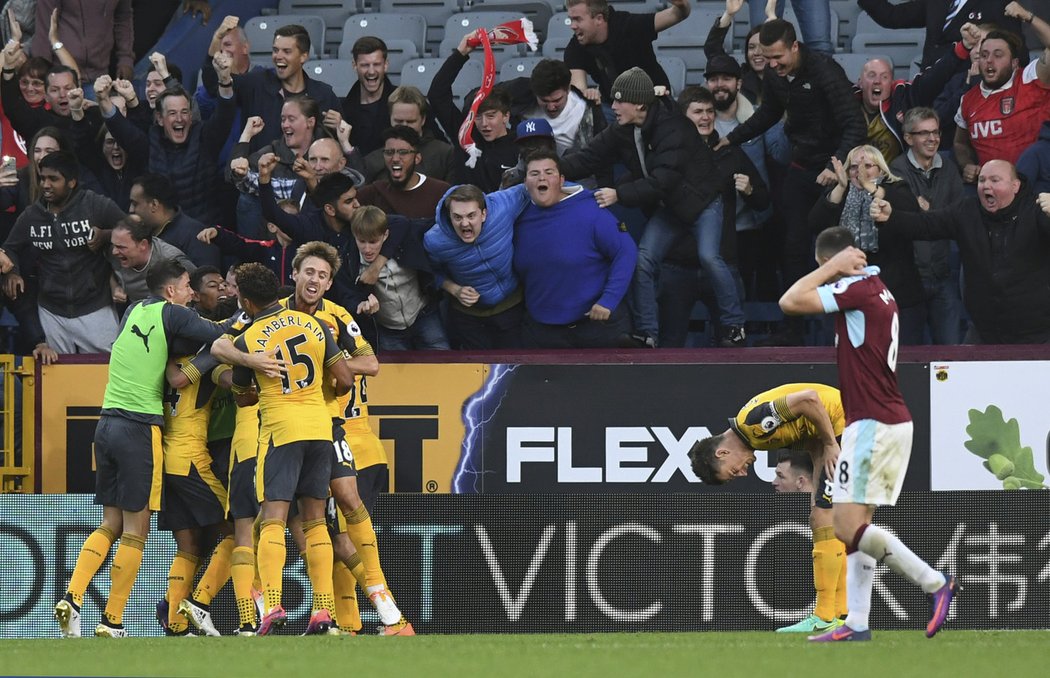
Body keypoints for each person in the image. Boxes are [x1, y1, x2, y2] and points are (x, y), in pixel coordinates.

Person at [51, 258, 257, 638]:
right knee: (138, 531)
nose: (191, 293)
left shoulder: (133, 309)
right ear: (171, 291)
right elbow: (219, 331)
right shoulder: (173, 314)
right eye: (186, 286)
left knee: (111, 523)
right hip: (140, 429)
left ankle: (72, 597)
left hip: (107, 421)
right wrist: (251, 306)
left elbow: (175, 357)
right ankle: (113, 620)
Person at [779, 226, 958, 642]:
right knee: (859, 525)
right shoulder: (878, 288)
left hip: (874, 423)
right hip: (886, 419)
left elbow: (789, 301)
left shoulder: (856, 290)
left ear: (830, 262)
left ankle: (935, 583)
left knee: (844, 526)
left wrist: (832, 269)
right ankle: (857, 623)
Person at [562, 68, 742, 348]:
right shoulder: (623, 129)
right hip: (672, 206)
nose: (615, 107)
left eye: (620, 102)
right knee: (642, 259)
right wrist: (551, 170)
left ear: (640, 105)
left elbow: (662, 182)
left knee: (709, 257)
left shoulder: (675, 128)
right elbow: (590, 156)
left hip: (703, 202)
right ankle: (647, 333)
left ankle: (734, 326)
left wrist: (618, 194)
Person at [222, 262, 354, 636]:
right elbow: (344, 378)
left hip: (281, 432)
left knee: (274, 519)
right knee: (315, 522)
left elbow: (245, 399)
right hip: (320, 429)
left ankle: (274, 603)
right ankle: (323, 610)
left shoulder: (250, 336)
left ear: (246, 301)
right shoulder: (314, 324)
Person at [718, 19, 866, 345]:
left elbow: (855, 125)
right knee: (793, 245)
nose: (772, 66)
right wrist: (733, 139)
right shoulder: (775, 74)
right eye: (767, 59)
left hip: (835, 172)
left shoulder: (826, 72)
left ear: (795, 47)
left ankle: (845, 330)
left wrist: (834, 165)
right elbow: (768, 113)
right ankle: (794, 328)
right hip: (801, 166)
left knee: (840, 248)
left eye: (778, 58)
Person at [688, 383, 846, 634]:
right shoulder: (755, 436)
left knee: (829, 518)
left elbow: (809, 400)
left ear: (722, 452)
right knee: (823, 518)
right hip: (843, 428)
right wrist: (821, 457)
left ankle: (827, 616)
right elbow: (810, 435)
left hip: (847, 426)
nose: (741, 473)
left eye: (732, 471)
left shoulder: (754, 425)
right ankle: (837, 614)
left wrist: (830, 444)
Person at [871, 159, 1050, 344]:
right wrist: (891, 217)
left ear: (1015, 186)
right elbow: (926, 225)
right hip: (985, 330)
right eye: (981, 180)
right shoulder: (967, 211)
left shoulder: (1037, 211)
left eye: (995, 180)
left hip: (1037, 332)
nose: (986, 186)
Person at [0, 150, 125, 357]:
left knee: (109, 374)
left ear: (72, 182)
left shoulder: (94, 204)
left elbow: (131, 230)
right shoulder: (32, 215)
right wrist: (13, 272)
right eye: (42, 178)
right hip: (52, 312)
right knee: (56, 380)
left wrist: (105, 235)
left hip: (95, 307)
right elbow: (10, 247)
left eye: (53, 179)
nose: (45, 185)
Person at [97, 51, 236, 229]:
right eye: (172, 113)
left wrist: (225, 80)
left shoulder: (204, 137)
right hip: (161, 237)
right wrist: (103, 99)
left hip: (203, 234)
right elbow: (122, 129)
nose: (180, 119)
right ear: (160, 119)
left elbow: (225, 115)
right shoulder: (150, 141)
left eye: (184, 112)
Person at [514, 151, 637, 348]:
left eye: (549, 172)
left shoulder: (592, 210)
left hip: (596, 328)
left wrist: (609, 300)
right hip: (542, 333)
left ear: (562, 180)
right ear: (526, 183)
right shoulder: (517, 217)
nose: (542, 178)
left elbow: (626, 251)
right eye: (534, 174)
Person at [808, 145, 925, 344]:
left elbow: (911, 211)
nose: (860, 172)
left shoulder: (896, 189)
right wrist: (840, 187)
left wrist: (871, 188)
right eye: (854, 167)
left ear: (880, 169)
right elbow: (815, 224)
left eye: (868, 165)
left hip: (895, 291)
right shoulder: (841, 192)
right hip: (850, 291)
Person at [889, 107, 966, 344]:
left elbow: (958, 216)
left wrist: (923, 210)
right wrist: (919, 210)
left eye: (935, 132)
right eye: (924, 133)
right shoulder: (894, 171)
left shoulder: (950, 168)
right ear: (908, 138)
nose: (932, 139)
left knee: (952, 354)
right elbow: (899, 219)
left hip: (943, 276)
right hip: (910, 281)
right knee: (909, 357)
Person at [425, 183, 532, 349]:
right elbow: (429, 273)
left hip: (512, 307)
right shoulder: (435, 241)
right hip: (469, 318)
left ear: (483, 214)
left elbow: (535, 184)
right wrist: (454, 289)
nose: (465, 223)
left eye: (471, 216)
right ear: (449, 217)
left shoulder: (502, 206)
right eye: (458, 217)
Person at [218, 23, 340, 153]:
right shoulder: (256, 84)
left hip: (309, 171)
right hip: (259, 169)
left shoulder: (323, 94)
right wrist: (223, 75)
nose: (278, 56)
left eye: (286, 51)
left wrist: (338, 128)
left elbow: (335, 150)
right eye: (275, 50)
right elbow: (214, 85)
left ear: (303, 56)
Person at [955, 14, 1050, 179]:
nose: (989, 61)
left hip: (1036, 185)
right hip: (993, 192)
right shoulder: (968, 100)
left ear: (1014, 63)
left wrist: (1029, 17)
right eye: (984, 55)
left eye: (998, 55)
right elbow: (959, 143)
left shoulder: (1029, 78)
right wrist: (967, 164)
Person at [350, 206, 449, 351]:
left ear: (385, 235)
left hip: (423, 315)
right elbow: (348, 294)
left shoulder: (404, 242)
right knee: (394, 372)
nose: (367, 249)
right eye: (362, 241)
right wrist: (362, 306)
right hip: (387, 328)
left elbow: (403, 221)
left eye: (373, 242)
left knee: (443, 362)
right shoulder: (351, 261)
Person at [429, 35, 519, 192]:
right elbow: (437, 95)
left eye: (491, 116)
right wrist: (460, 54)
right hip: (464, 213)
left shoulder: (519, 146)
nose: (484, 123)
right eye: (477, 116)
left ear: (506, 116)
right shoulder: (464, 135)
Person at [564, 0, 691, 104]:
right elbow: (578, 92)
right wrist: (586, 95)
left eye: (578, 19)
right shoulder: (575, 48)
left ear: (599, 19)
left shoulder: (629, 25)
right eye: (571, 19)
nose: (572, 26)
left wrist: (682, 4)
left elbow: (678, 14)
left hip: (653, 100)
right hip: (613, 106)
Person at [858, 0, 1024, 68]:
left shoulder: (998, 3)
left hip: (968, 92)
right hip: (930, 87)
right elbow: (893, 17)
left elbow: (1018, 53)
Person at [359, 85, 456, 183]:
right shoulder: (373, 159)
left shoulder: (445, 154)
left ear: (423, 120)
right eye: (399, 121)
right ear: (390, 118)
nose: (404, 126)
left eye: (410, 121)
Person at [356, 126, 451, 219]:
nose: (395, 159)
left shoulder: (440, 192)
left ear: (417, 158)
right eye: (389, 152)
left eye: (403, 152)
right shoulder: (374, 192)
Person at [128, 173, 221, 267]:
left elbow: (208, 278)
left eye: (135, 204)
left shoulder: (196, 235)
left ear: (154, 205)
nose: (130, 210)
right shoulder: (142, 233)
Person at [30, 0, 133, 82]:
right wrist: (42, 75)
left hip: (100, 76)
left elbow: (123, 18)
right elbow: (44, 29)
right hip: (61, 76)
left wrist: (125, 58)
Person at [109, 216, 196, 304]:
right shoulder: (116, 254)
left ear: (143, 244)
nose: (114, 251)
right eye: (113, 245)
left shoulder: (171, 260)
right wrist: (115, 287)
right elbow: (110, 271)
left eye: (121, 247)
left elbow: (200, 284)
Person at [342, 36, 396, 157]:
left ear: (386, 65)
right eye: (365, 65)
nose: (371, 71)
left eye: (376, 64)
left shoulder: (403, 103)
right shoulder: (342, 110)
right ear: (354, 66)